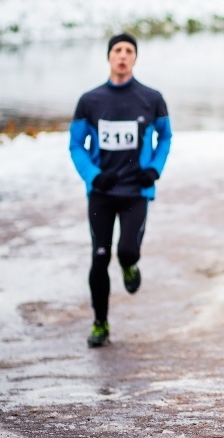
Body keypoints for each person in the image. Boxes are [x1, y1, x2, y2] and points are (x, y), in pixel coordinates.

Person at [69, 33, 172, 347]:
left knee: (127, 251)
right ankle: (100, 324)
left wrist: (154, 169)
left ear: (135, 58)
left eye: (129, 50)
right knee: (99, 258)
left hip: (135, 193)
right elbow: (76, 144)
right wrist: (92, 175)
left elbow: (165, 137)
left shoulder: (151, 98)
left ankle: (130, 266)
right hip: (101, 193)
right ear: (109, 57)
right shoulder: (90, 100)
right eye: (117, 50)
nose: (123, 55)